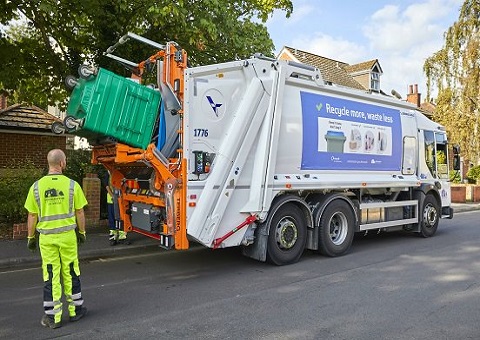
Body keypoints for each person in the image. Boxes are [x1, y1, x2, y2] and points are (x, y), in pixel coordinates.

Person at [24, 149, 88, 329]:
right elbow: (80, 212)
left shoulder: (36, 187)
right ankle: (76, 311)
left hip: (46, 238)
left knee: (51, 275)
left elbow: (31, 215)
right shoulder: (72, 185)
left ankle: (53, 318)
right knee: (71, 271)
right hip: (68, 237)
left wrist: (30, 237)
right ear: (62, 163)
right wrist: (82, 232)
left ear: (49, 163)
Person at [102, 171, 129, 246]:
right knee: (112, 219)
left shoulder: (120, 172)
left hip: (121, 200)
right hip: (112, 200)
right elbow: (106, 185)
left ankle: (122, 237)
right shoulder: (108, 173)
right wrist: (113, 196)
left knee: (122, 218)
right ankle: (113, 238)